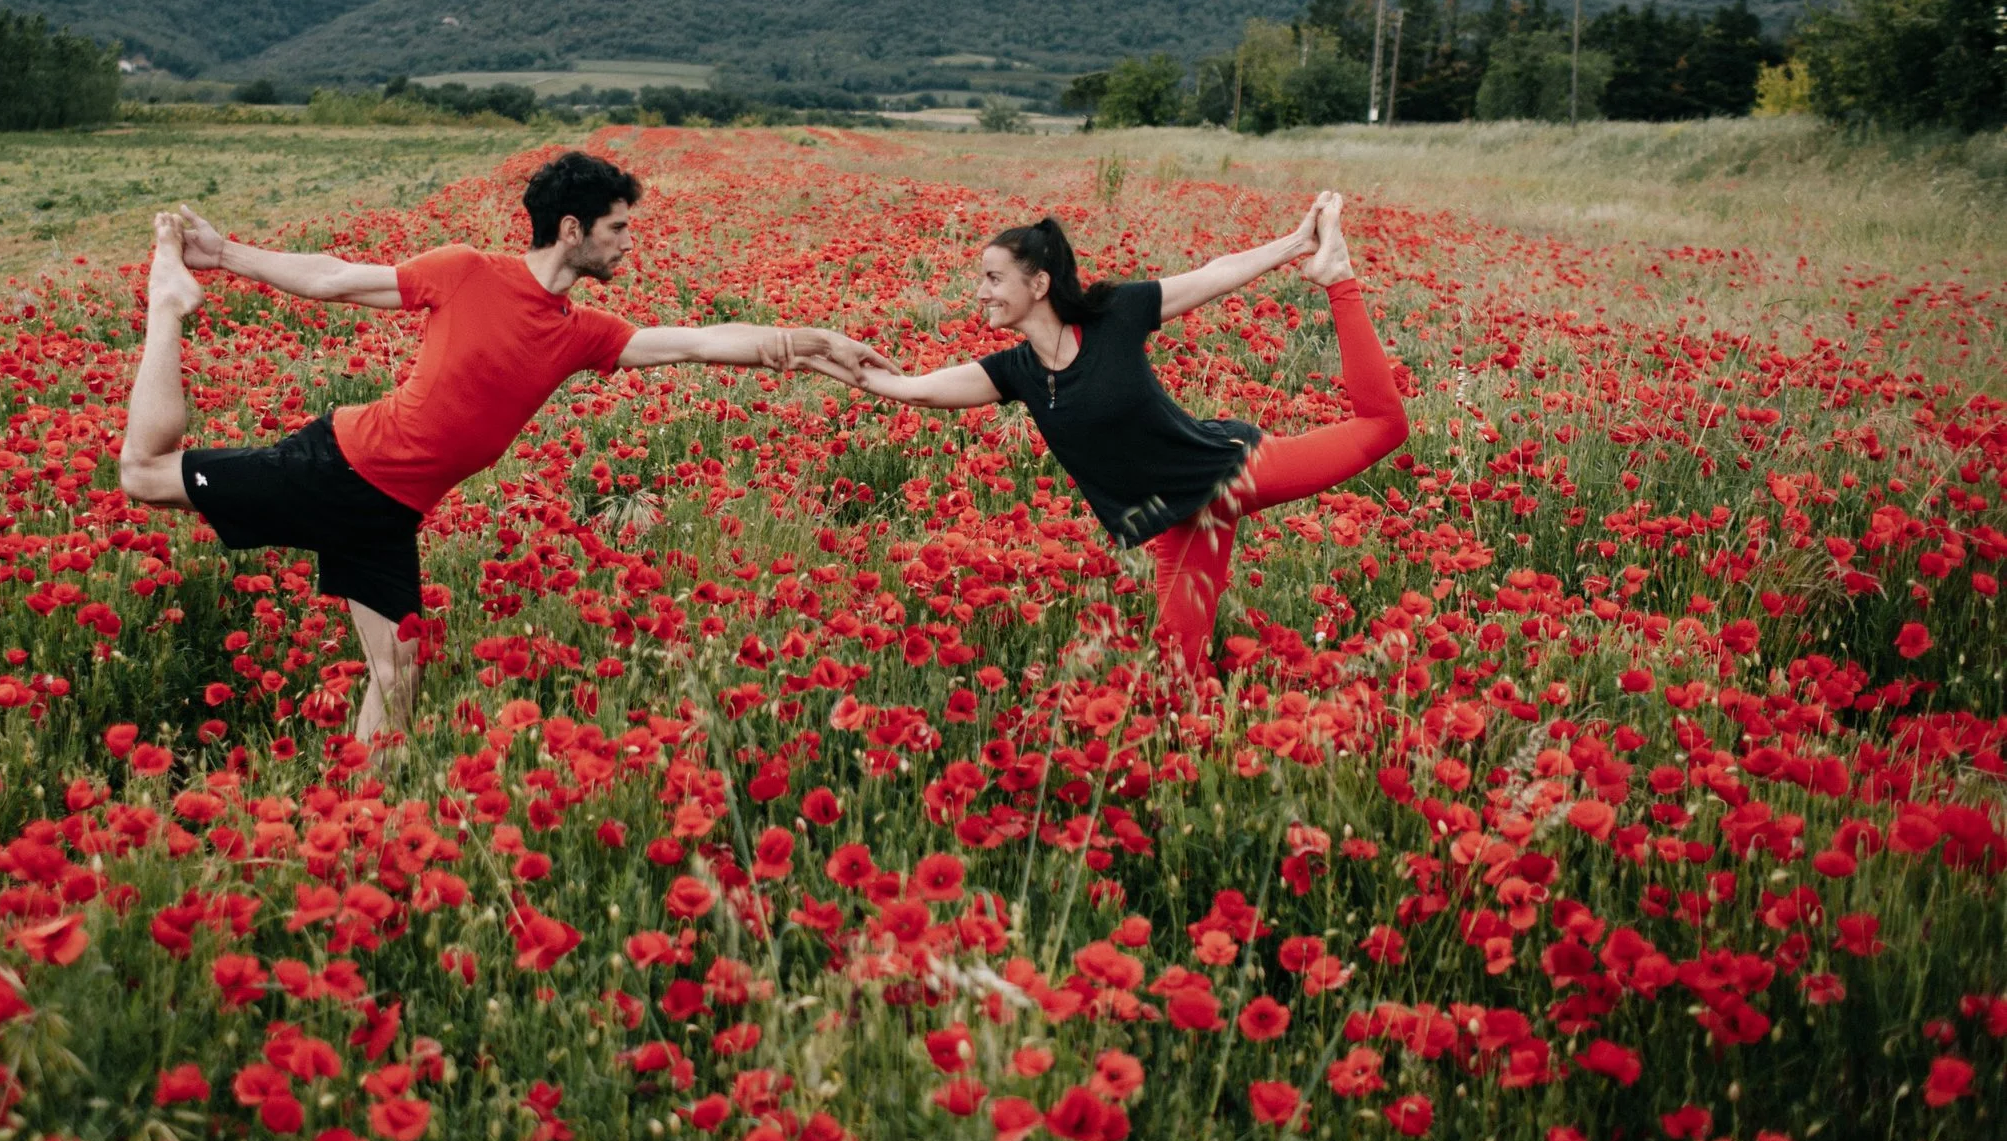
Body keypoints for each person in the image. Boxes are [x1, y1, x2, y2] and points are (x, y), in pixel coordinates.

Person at [117, 149, 893, 742]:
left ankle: (359, 824)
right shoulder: (465, 272)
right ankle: (168, 305)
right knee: (145, 473)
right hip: (338, 467)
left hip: (388, 513)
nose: (630, 244)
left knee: (398, 669)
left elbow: (695, 342)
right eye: (619, 228)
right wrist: (222, 258)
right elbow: (335, 280)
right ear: (571, 230)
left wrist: (808, 340)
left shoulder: (581, 332)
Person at [818, 191, 1408, 681]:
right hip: (1183, 515)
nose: (981, 292)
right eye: (982, 279)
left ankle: (1338, 277)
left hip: (1232, 471)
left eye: (994, 278)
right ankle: (1196, 758)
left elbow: (1213, 276)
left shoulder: (1113, 315)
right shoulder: (1015, 372)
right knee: (1178, 664)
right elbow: (918, 390)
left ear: (1040, 283)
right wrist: (831, 360)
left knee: (1383, 428)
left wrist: (1296, 244)